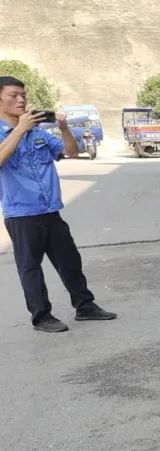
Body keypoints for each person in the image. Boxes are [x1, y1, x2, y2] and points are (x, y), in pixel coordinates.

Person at [0, 76, 116, 333]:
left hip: (50, 210)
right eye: (14, 95)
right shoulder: (10, 132)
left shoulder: (37, 132)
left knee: (70, 260)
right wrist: (19, 130)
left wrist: (64, 128)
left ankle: (85, 306)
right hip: (21, 213)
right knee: (30, 268)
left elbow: (71, 152)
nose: (21, 100)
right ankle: (42, 317)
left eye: (23, 95)